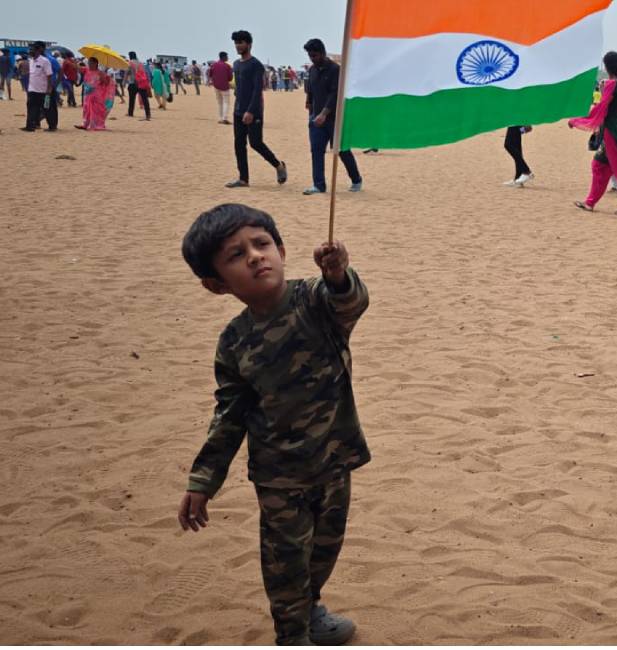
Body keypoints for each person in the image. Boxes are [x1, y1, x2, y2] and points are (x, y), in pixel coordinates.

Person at [178, 203, 368, 646]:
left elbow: (351, 302)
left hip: (335, 462)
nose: (254, 256)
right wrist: (204, 479)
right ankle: (292, 635)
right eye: (235, 255)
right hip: (280, 476)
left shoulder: (316, 300)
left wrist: (339, 274)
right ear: (216, 284)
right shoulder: (234, 342)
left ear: (281, 249)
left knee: (323, 551)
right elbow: (230, 414)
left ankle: (311, 610)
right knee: (285, 564)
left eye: (262, 244)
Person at [568, 51, 617, 216]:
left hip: (612, 131)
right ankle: (590, 202)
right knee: (599, 165)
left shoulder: (612, 84)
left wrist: (577, 120)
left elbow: (602, 107)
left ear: (606, 66)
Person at [301, 38, 362, 196]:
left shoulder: (335, 70)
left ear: (322, 53)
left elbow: (335, 94)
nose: (312, 59)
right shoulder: (312, 70)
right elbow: (311, 91)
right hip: (316, 120)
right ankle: (319, 185)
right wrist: (310, 106)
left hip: (334, 119)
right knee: (316, 150)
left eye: (314, 55)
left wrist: (324, 113)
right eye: (310, 56)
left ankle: (356, 179)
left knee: (342, 150)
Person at [227, 30, 287, 189]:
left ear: (249, 44)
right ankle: (243, 179)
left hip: (253, 111)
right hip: (238, 110)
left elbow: (257, 90)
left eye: (241, 42)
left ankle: (278, 165)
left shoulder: (256, 65)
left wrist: (251, 111)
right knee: (239, 144)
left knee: (256, 143)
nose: (238, 45)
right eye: (236, 43)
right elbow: (239, 87)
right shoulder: (236, 64)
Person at [20, 42, 55, 132]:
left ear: (38, 50)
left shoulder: (45, 61)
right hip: (32, 90)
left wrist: (49, 89)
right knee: (31, 108)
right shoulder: (30, 61)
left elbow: (49, 75)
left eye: (32, 49)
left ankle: (52, 126)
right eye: (30, 49)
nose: (30, 51)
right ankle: (30, 126)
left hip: (43, 91)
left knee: (47, 109)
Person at [75, 57, 114, 131]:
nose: (89, 64)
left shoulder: (100, 73)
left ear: (95, 63)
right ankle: (85, 124)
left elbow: (106, 83)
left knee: (97, 110)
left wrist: (103, 79)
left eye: (90, 63)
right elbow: (78, 68)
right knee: (86, 109)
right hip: (88, 94)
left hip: (97, 95)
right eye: (89, 63)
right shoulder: (86, 70)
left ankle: (97, 125)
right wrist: (76, 62)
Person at [126, 52, 152, 121]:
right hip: (141, 82)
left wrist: (124, 81)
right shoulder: (140, 63)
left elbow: (127, 72)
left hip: (132, 83)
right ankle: (148, 114)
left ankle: (130, 113)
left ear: (130, 56)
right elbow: (144, 73)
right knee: (145, 99)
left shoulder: (129, 63)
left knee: (132, 99)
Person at [210, 51, 233, 124]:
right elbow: (230, 78)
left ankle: (220, 118)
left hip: (216, 86)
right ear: (223, 57)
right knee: (226, 102)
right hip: (225, 86)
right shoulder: (227, 66)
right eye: (227, 56)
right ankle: (224, 118)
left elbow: (210, 74)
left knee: (220, 103)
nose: (227, 58)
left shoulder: (213, 65)